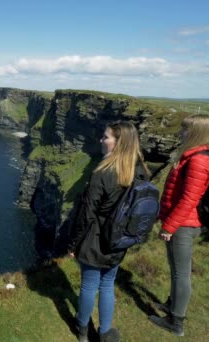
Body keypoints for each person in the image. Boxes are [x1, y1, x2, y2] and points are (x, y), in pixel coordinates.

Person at [69, 121, 150, 342]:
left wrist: (73, 244)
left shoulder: (102, 173)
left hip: (95, 240)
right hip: (120, 240)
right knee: (107, 284)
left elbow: (87, 215)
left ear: (118, 142)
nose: (101, 140)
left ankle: (82, 330)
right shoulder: (140, 170)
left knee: (89, 286)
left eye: (105, 137)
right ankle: (105, 332)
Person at [149, 114, 209, 337]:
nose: (181, 132)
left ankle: (175, 322)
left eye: (186, 129)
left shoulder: (199, 161)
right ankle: (172, 305)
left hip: (183, 226)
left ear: (197, 133)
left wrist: (169, 226)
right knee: (176, 269)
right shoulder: (194, 156)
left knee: (181, 274)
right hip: (183, 223)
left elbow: (189, 199)